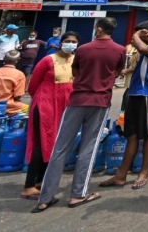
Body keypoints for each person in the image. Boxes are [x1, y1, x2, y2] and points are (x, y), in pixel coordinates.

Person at [34, 17, 126, 212]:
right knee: (88, 149)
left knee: (60, 148)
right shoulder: (119, 50)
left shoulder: (83, 50)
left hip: (77, 100)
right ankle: (78, 194)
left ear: (98, 29)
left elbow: (75, 72)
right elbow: (117, 72)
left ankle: (45, 197)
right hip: (100, 102)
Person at [100, 21, 148, 190]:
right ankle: (121, 175)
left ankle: (144, 172)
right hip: (134, 93)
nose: (132, 41)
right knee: (132, 135)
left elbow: (144, 49)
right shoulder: (143, 50)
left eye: (136, 37)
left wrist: (136, 35)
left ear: (145, 35)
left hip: (146, 95)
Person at [20, 31, 78, 200]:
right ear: (60, 43)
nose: (71, 44)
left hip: (64, 107)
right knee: (41, 143)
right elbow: (33, 86)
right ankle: (28, 185)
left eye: (74, 41)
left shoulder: (76, 60)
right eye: (67, 41)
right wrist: (43, 99)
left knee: (54, 144)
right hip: (45, 105)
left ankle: (41, 181)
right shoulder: (48, 60)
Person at [0, 50, 28, 116]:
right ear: (17, 61)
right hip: (7, 106)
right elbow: (17, 96)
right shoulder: (19, 74)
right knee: (29, 109)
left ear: (4, 59)